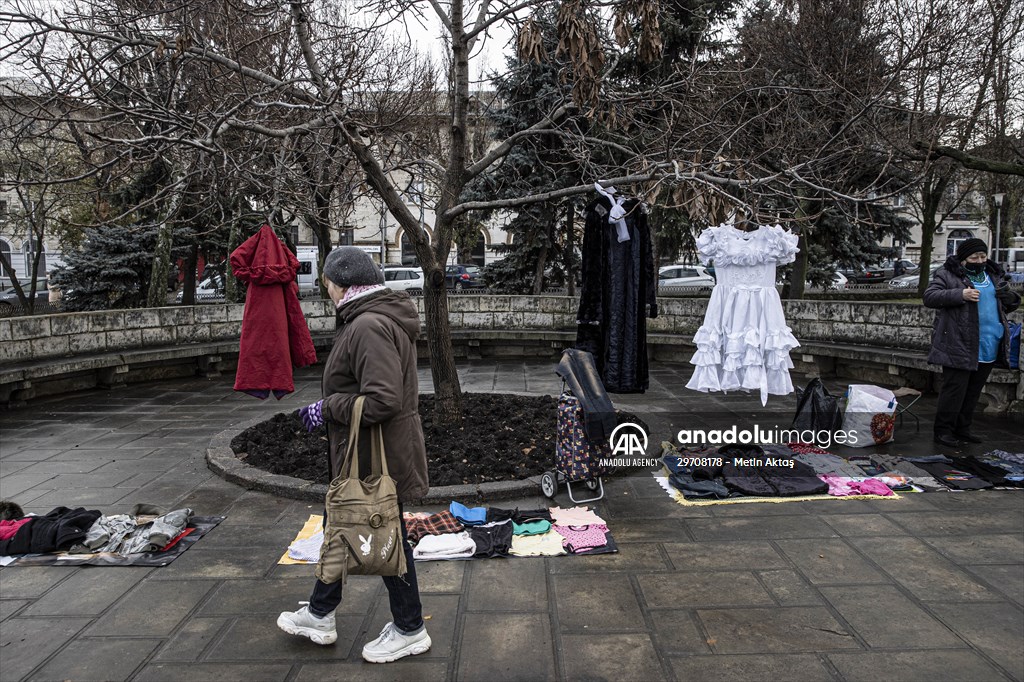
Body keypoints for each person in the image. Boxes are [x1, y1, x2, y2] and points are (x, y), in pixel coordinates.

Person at [277, 246, 431, 663]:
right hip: (368, 452)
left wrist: (327, 408)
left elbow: (383, 399)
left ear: (341, 284)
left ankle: (410, 628)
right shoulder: (371, 317)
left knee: (385, 536)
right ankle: (320, 613)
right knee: (341, 527)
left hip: (374, 457)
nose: (325, 290)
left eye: (327, 282)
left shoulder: (367, 325)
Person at [924, 238, 1020, 447]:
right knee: (954, 390)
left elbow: (1009, 304)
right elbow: (930, 297)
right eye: (974, 257)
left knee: (973, 391)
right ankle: (943, 431)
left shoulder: (993, 275)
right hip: (959, 342)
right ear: (963, 258)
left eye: (983, 256)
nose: (980, 261)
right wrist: (961, 294)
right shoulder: (947, 274)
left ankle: (963, 429)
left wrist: (1010, 298)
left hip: (989, 342)